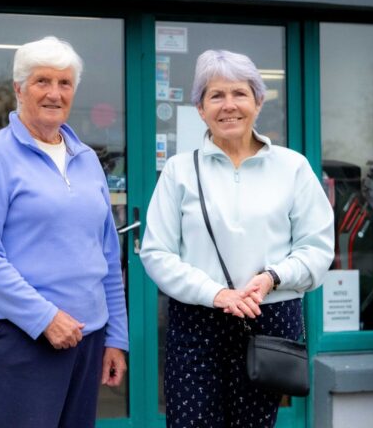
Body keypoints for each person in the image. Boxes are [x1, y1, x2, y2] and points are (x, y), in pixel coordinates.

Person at [140, 49, 334, 428]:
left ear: (258, 102)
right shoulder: (180, 170)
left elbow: (317, 247)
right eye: (216, 95)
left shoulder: (292, 167)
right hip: (197, 321)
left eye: (239, 94)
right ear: (200, 108)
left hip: (268, 318)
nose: (229, 105)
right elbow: (157, 253)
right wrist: (216, 293)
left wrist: (272, 278)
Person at [0, 36, 129, 428]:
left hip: (88, 337)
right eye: (42, 82)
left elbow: (107, 254)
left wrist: (115, 337)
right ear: (19, 88)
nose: (54, 93)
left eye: (65, 83)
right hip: (24, 337)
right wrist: (45, 318)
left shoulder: (86, 159)